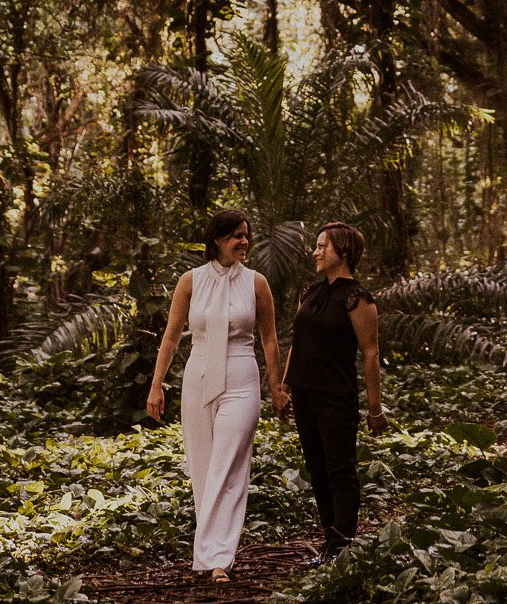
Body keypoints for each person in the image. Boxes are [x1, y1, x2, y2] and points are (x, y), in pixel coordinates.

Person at [146, 209, 286, 581]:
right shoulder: (190, 282)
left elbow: (270, 341)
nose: (244, 241)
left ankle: (216, 559)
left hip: (242, 378)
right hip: (198, 378)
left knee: (228, 466)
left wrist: (277, 388)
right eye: (236, 235)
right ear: (217, 240)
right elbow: (172, 337)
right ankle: (213, 553)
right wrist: (157, 384)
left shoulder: (256, 283)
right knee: (204, 469)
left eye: (246, 235)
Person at [282, 222, 386, 560]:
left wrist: (375, 409)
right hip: (304, 393)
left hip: (335, 396)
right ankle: (330, 539)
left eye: (322, 246)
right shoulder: (310, 293)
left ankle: (342, 545)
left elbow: (370, 354)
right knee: (316, 467)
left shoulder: (357, 299)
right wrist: (284, 386)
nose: (315, 252)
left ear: (342, 252)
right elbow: (297, 344)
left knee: (340, 469)